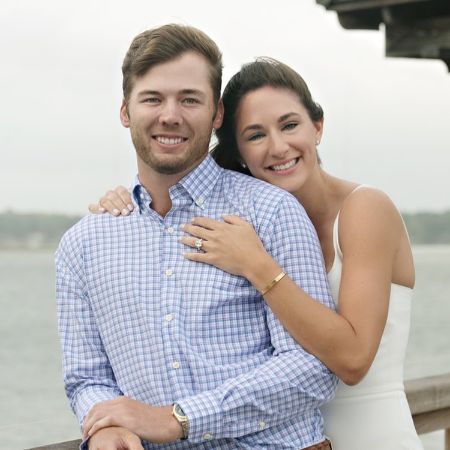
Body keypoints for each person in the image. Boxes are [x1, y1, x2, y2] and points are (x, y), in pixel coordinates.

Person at [93, 58, 424, 450]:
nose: (278, 146)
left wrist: (256, 265)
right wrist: (130, 203)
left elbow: (353, 360)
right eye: (255, 135)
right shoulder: (257, 223)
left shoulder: (365, 208)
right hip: (292, 436)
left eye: (289, 125)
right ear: (239, 152)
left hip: (373, 436)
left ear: (317, 127)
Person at [56, 25, 337, 450]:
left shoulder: (272, 212)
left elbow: (313, 368)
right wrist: (107, 424)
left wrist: (178, 419)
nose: (170, 115)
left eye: (189, 99)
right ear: (125, 112)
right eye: (153, 98)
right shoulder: (83, 245)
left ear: (217, 114)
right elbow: (86, 378)